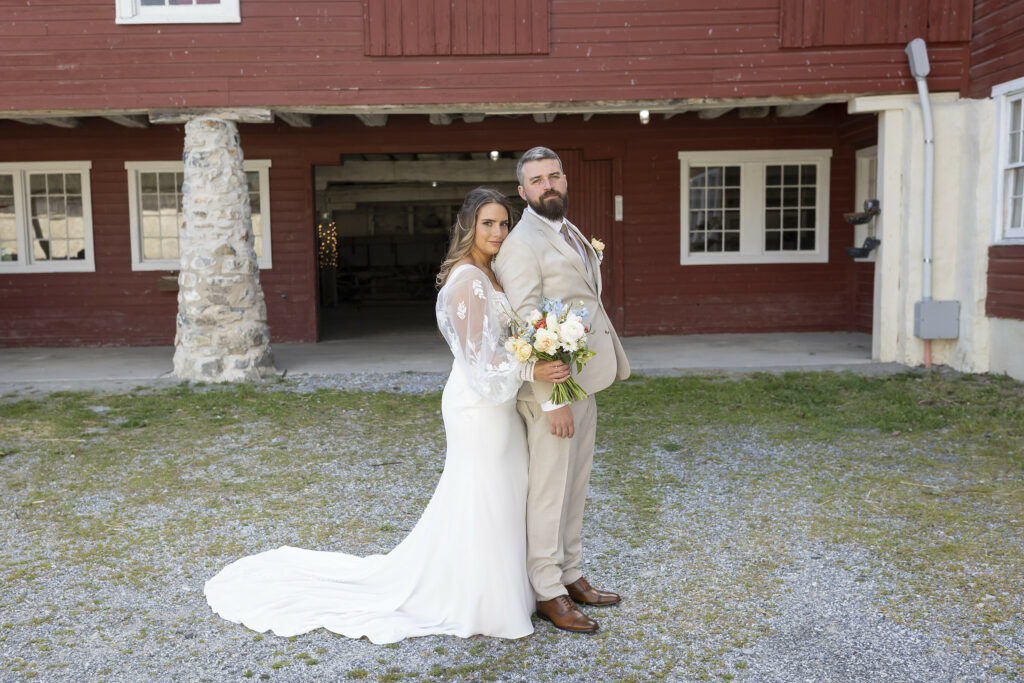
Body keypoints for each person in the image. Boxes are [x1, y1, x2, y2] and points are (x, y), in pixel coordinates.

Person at [204, 187, 570, 643]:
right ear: (469, 227)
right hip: (478, 405)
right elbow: (479, 362)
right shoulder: (468, 280)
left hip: (498, 403)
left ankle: (501, 591)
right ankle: (478, 601)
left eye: (503, 223)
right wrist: (532, 365)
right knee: (483, 493)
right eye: (488, 223)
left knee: (502, 492)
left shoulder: (490, 273)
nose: (498, 231)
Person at [494, 147, 631, 634]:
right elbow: (525, 323)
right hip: (552, 390)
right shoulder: (520, 245)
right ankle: (547, 589)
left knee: (575, 485)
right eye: (536, 180)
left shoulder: (568, 230)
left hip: (583, 380)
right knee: (550, 491)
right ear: (523, 190)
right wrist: (554, 400)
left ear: (565, 179)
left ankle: (570, 573)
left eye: (553, 176)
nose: (547, 185)